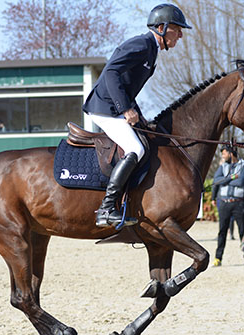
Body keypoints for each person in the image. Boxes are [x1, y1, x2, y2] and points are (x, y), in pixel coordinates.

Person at [82, 3, 191, 228]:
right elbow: (111, 72)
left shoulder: (151, 51)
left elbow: (129, 88)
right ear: (161, 27)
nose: (180, 34)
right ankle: (106, 208)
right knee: (136, 149)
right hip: (104, 107)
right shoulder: (141, 44)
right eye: (177, 29)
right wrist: (125, 109)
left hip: (115, 108)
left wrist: (140, 118)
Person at [211, 145, 244, 267]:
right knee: (222, 232)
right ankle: (218, 258)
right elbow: (216, 181)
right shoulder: (223, 166)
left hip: (239, 203)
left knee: (242, 231)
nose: (223, 156)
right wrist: (231, 177)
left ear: (231, 153)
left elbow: (241, 182)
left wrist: (225, 180)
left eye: (224, 154)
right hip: (224, 203)